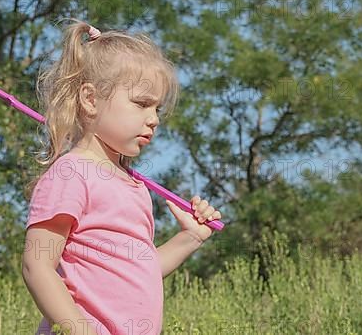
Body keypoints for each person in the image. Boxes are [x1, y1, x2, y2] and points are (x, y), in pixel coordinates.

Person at [22, 18, 222, 335]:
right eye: (142, 103)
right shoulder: (72, 173)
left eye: (157, 109)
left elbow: (138, 270)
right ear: (90, 99)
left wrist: (190, 238)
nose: (154, 119)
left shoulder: (135, 186)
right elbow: (37, 265)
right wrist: (80, 330)